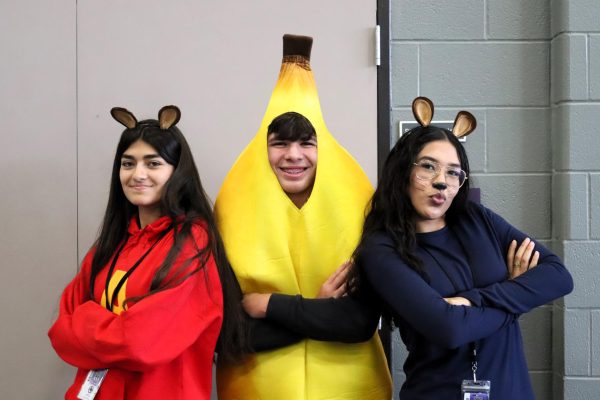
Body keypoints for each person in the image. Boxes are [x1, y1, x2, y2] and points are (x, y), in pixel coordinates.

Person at [346, 97, 573, 399]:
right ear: (403, 174)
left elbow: (558, 276)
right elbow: (449, 329)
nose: (441, 182)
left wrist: (471, 300)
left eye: (453, 172)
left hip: (512, 391)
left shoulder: (476, 218)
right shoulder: (381, 250)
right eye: (428, 167)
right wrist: (516, 294)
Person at [48, 105, 246, 400]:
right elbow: (60, 331)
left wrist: (87, 318)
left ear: (177, 172)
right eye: (128, 163)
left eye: (153, 164)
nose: (137, 174)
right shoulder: (112, 243)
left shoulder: (192, 243)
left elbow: (140, 343)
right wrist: (115, 328)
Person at [215, 111, 391, 399]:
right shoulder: (227, 220)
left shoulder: (365, 216)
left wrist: (269, 304)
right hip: (258, 387)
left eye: (307, 143)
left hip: (347, 386)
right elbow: (229, 337)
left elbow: (358, 323)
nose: (293, 155)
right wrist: (319, 310)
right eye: (280, 143)